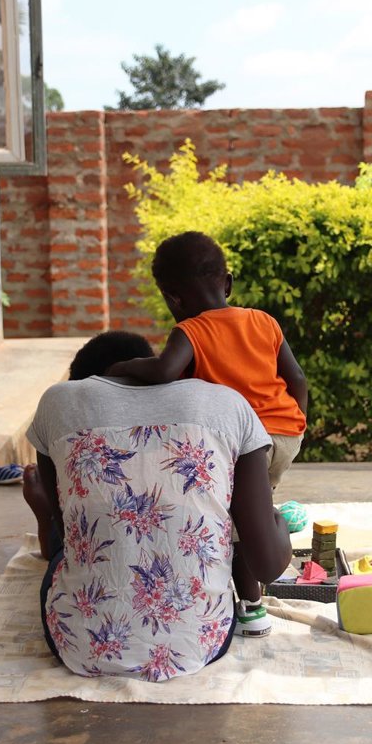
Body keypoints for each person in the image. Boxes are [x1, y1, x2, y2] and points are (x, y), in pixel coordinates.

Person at [22, 331, 292, 681]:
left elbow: (70, 533)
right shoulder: (229, 403)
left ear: (86, 384)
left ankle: (45, 520)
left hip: (81, 647)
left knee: (70, 544)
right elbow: (268, 567)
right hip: (199, 643)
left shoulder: (59, 402)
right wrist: (276, 521)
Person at [104, 231, 308, 635]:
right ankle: (266, 521)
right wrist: (297, 422)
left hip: (245, 448)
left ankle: (251, 606)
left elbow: (164, 371)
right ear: (227, 283)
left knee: (236, 526)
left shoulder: (192, 331)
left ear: (173, 298)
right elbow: (297, 378)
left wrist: (122, 367)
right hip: (287, 434)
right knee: (247, 512)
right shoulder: (263, 321)